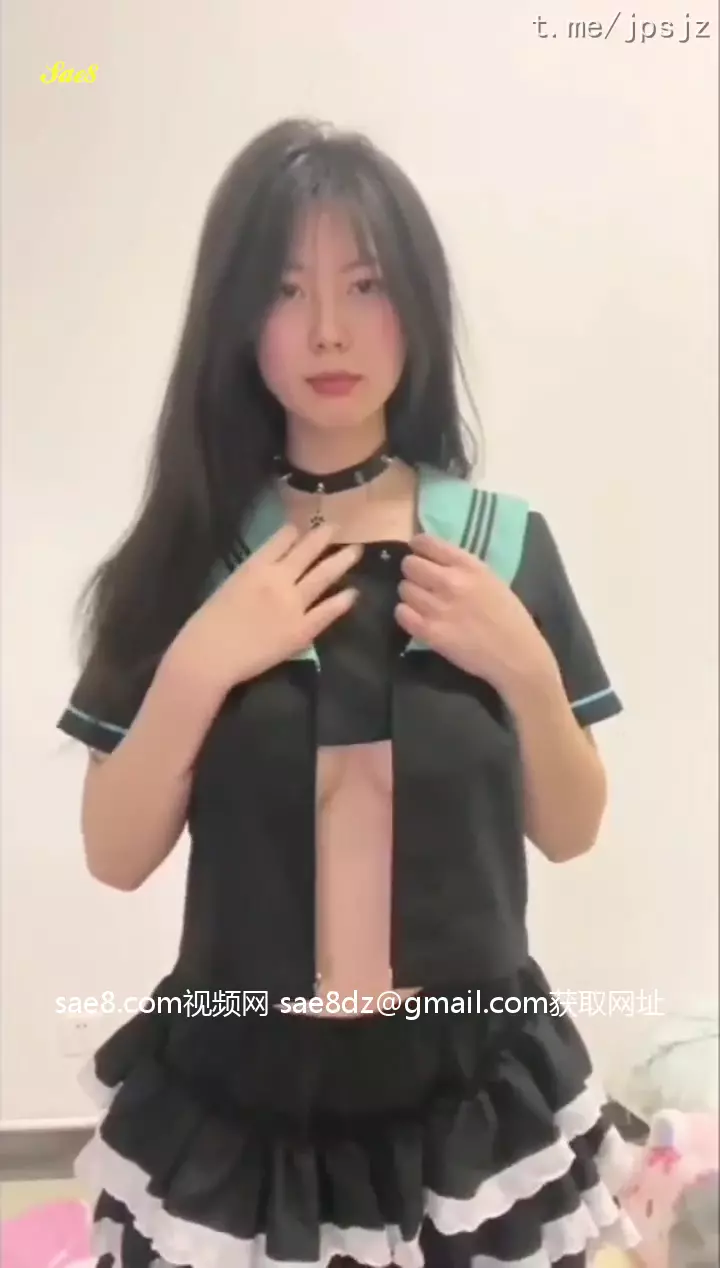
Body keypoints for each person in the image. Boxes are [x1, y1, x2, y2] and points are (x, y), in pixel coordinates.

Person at [57, 118, 640, 1268]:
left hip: (469, 1099)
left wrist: (524, 666)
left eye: (365, 284)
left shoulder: (501, 546)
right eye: (287, 289)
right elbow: (115, 853)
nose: (329, 327)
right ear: (237, 319)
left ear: (416, 303)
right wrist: (201, 663)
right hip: (242, 1097)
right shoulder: (186, 560)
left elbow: (572, 828)